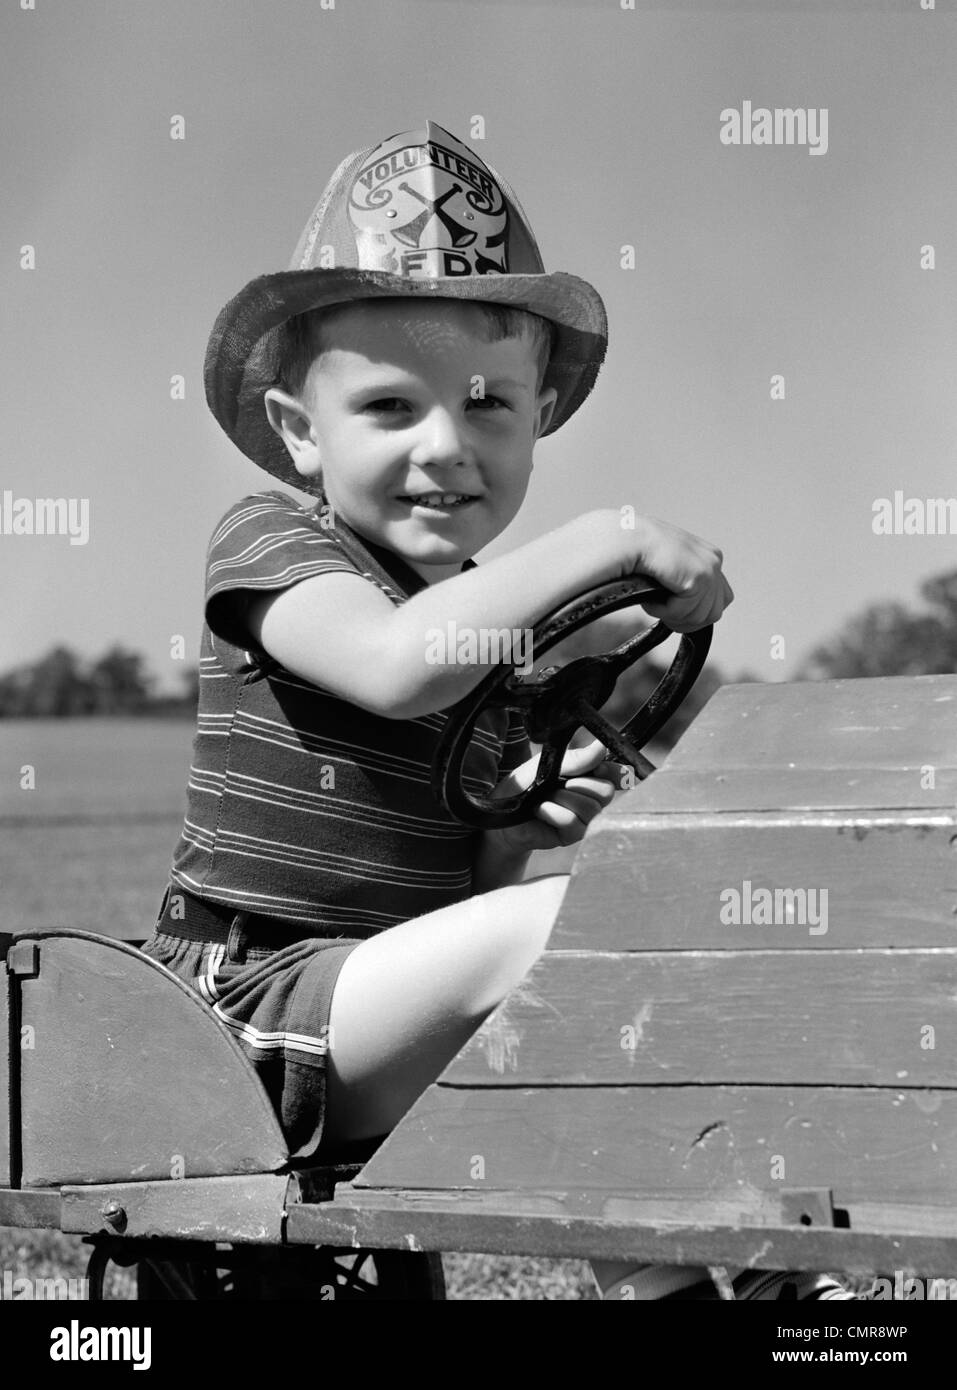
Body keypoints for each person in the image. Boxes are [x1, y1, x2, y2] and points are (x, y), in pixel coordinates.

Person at [144, 121, 850, 1301]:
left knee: (602, 935)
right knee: (568, 933)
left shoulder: (487, 635)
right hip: (236, 1022)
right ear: (298, 434)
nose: (447, 448)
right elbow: (389, 663)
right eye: (389, 409)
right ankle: (749, 1282)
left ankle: (675, 1281)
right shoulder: (277, 544)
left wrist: (514, 841)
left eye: (487, 407)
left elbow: (453, 900)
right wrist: (611, 539)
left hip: (368, 1012)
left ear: (535, 418)